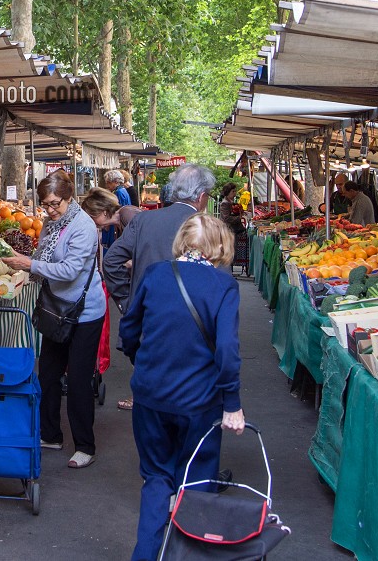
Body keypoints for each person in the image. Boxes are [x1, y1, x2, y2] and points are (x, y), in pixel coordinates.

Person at [119, 214, 245, 561]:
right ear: (220, 246)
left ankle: (145, 555)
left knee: (157, 477)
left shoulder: (156, 274)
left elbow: (130, 327)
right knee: (197, 483)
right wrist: (232, 403)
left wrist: (140, 361)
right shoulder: (224, 287)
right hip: (199, 402)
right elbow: (227, 351)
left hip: (151, 394)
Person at [1, 175, 105, 469]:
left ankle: (85, 445)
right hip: (55, 308)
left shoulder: (83, 226)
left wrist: (28, 264)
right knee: (48, 374)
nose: (49, 211)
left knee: (79, 381)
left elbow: (71, 270)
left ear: (69, 196)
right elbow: (43, 255)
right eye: (45, 206)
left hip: (83, 313)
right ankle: (51, 434)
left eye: (54, 204)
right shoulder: (50, 223)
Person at [104, 162, 214, 410]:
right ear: (201, 196)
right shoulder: (206, 227)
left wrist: (126, 300)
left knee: (151, 394)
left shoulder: (145, 221)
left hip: (148, 314)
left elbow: (111, 261)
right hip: (192, 321)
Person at [101, 170, 134, 248]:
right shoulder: (123, 190)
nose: (107, 185)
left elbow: (116, 211)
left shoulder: (119, 192)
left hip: (116, 227)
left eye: (109, 182)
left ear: (115, 181)